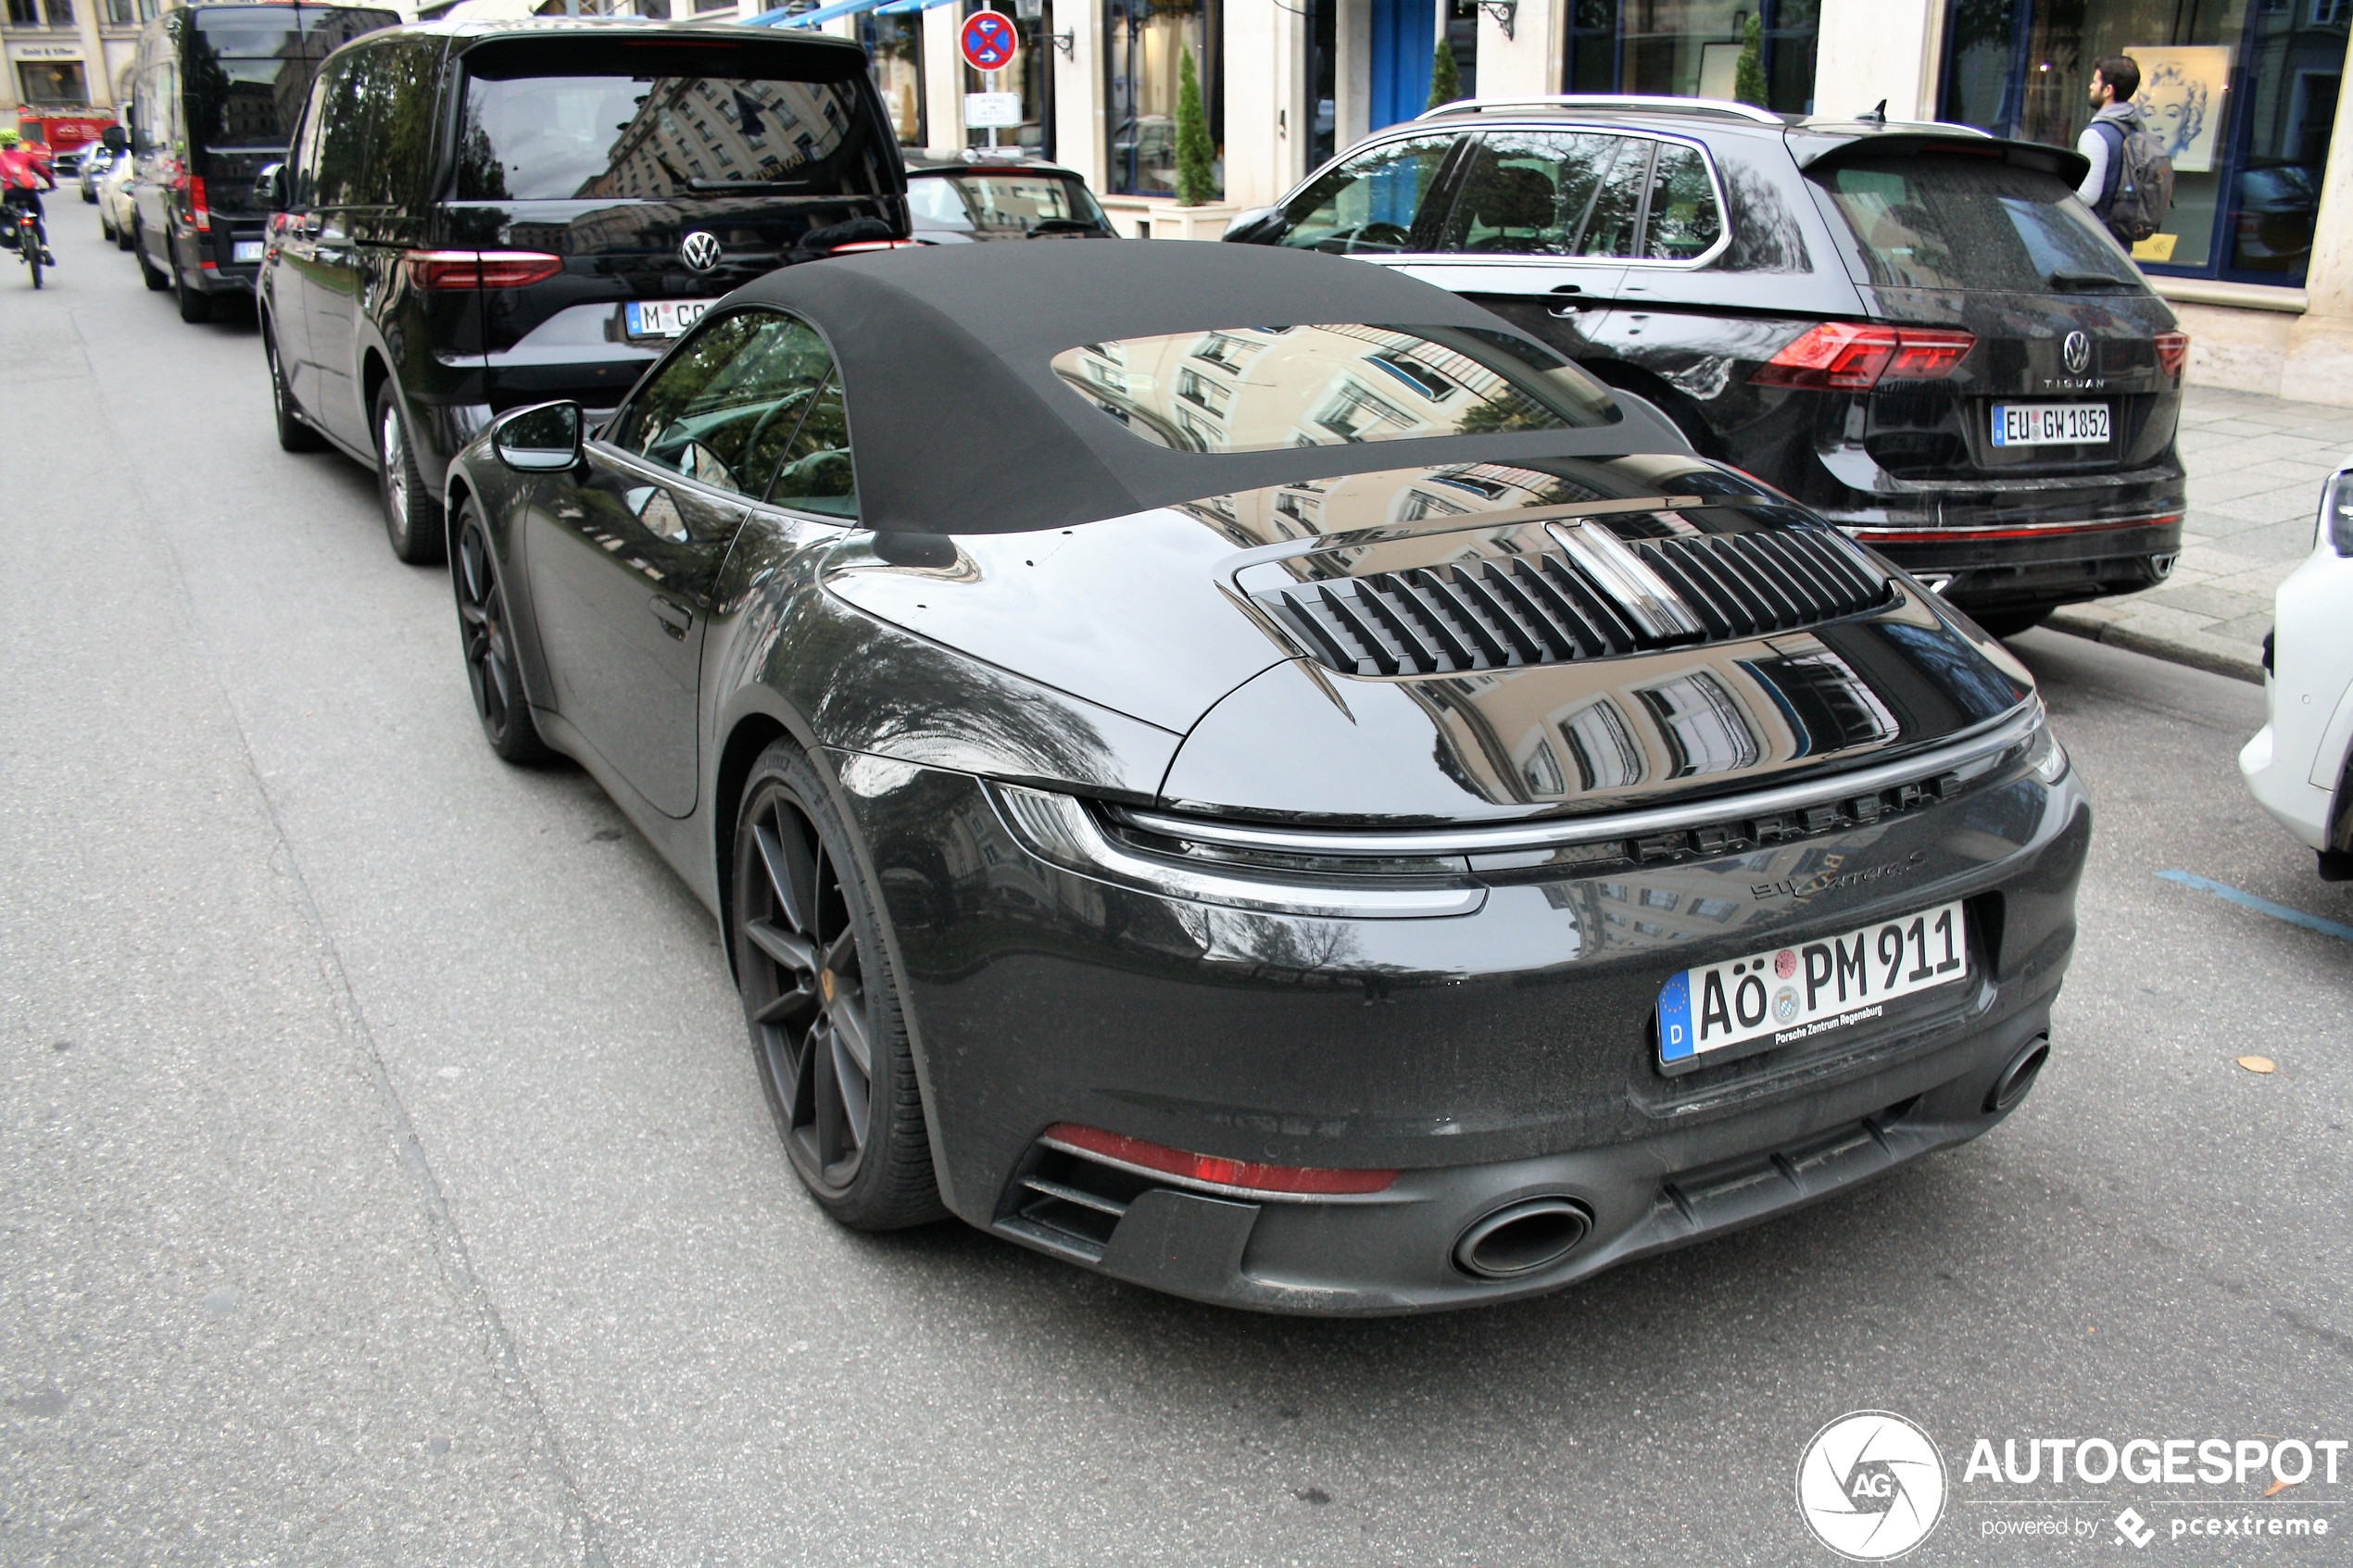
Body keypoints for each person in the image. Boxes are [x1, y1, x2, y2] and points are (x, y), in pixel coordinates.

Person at [2075, 56, 2147, 223]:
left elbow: (2087, 196)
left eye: (2095, 82)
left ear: (2108, 90)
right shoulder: (2135, 128)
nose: (2091, 87)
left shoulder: (2096, 135)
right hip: (2120, 237)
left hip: (2095, 236)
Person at [0, 128, 57, 267]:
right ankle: (44, 248)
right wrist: (51, 185)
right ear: (16, 143)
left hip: (11, 194)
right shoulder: (27, 157)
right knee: (36, 221)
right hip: (30, 193)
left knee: (10, 217)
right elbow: (46, 174)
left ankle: (18, 244)